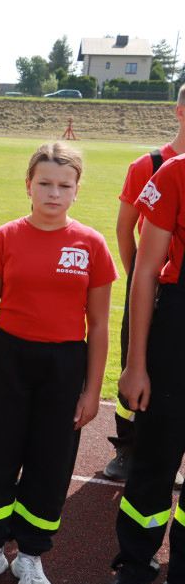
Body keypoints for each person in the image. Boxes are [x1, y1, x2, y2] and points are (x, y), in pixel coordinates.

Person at [0, 142, 114, 584]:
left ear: (77, 191)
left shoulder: (91, 244)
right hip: (8, 360)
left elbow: (100, 324)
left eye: (64, 185)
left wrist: (92, 391)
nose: (53, 192)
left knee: (51, 460)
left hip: (65, 366)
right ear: (28, 185)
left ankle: (31, 555)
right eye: (44, 183)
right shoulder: (6, 237)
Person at [98, 150, 185, 584]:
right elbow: (146, 271)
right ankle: (133, 570)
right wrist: (136, 364)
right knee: (154, 463)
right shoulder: (176, 172)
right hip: (176, 334)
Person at [106, 83, 185, 482]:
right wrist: (143, 278)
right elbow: (124, 230)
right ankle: (127, 445)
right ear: (180, 112)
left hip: (175, 295)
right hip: (150, 288)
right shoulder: (150, 164)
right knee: (133, 370)